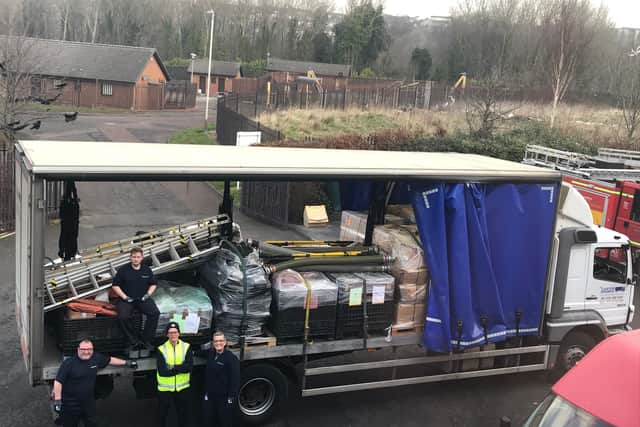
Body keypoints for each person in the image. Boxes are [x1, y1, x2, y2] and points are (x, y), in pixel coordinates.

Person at [52, 339, 136, 427]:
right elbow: (58, 382)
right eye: (83, 349)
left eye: (89, 349)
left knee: (91, 423)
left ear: (92, 350)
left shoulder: (96, 358)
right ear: (78, 349)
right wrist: (58, 400)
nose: (86, 352)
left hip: (88, 402)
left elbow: (110, 360)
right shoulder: (69, 363)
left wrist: (127, 362)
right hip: (70, 403)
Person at [112, 247, 160, 350]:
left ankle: (146, 340)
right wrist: (125, 297)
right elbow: (115, 285)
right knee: (122, 317)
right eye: (134, 257)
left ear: (142, 258)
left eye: (138, 257)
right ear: (130, 257)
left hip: (143, 298)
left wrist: (148, 295)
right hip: (127, 299)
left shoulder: (146, 269)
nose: (136, 259)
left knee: (155, 313)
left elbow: (153, 284)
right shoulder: (123, 270)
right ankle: (132, 341)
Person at [156, 321, 193, 427]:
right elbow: (162, 372)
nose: (173, 335)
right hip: (165, 390)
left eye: (175, 332)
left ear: (179, 333)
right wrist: (181, 367)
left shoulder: (186, 347)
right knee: (163, 415)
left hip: (182, 388)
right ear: (167, 334)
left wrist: (173, 367)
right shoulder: (161, 349)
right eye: (170, 333)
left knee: (183, 414)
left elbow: (189, 367)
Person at [202, 332, 240, 427]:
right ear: (213, 343)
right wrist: (191, 352)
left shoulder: (231, 358)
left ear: (225, 342)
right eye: (216, 341)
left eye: (221, 341)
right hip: (211, 396)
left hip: (224, 398)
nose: (218, 343)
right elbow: (201, 353)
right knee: (210, 420)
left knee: (225, 421)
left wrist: (231, 398)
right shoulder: (211, 354)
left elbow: (235, 380)